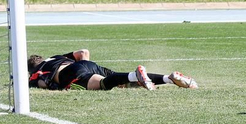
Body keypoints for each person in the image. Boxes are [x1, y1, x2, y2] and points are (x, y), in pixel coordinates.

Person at [28, 49, 196, 92]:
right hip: (87, 64)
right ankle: (169, 78)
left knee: (102, 84)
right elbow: (83, 52)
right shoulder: (56, 57)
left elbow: (42, 82)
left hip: (71, 74)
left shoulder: (36, 71)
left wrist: (55, 87)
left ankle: (136, 75)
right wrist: (85, 66)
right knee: (119, 80)